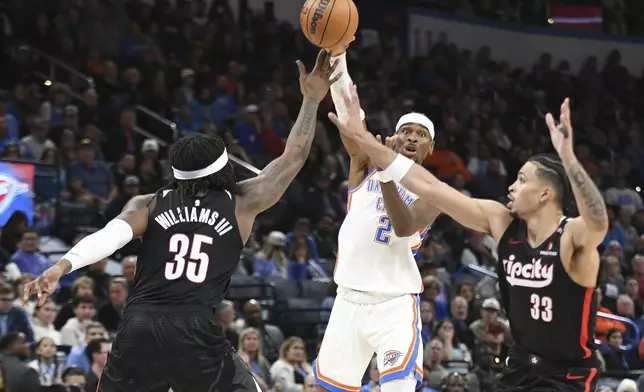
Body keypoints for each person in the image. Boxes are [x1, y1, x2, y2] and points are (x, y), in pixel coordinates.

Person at [22, 49, 340, 392]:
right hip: (195, 329)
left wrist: (62, 266)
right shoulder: (243, 202)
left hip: (139, 326)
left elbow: (109, 236)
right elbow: (293, 157)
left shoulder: (149, 202)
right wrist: (311, 100)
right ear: (224, 168)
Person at [331, 87, 608, 391]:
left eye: (522, 180)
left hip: (566, 375)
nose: (512, 187)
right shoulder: (502, 222)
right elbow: (432, 188)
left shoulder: (571, 236)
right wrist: (366, 141)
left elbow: (597, 222)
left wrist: (568, 159)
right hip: (519, 367)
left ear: (545, 194)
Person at [314, 43, 440, 392]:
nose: (412, 137)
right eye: (407, 131)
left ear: (430, 150)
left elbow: (403, 227)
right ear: (395, 137)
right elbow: (352, 119)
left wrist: (387, 174)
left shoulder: (432, 191)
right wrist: (338, 56)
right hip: (348, 298)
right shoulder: (366, 164)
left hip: (394, 304)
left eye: (421, 136)